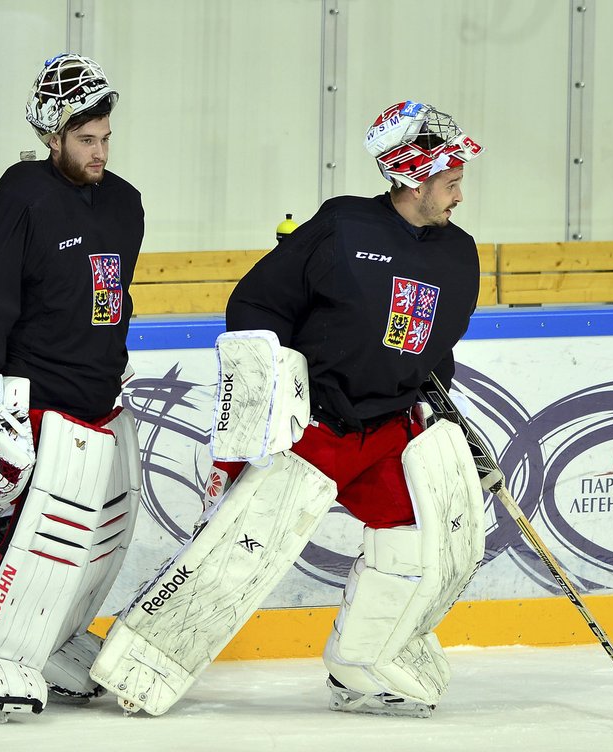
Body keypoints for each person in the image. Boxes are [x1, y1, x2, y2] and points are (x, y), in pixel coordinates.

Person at [90, 100, 486, 719]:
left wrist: (443, 416)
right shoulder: (343, 229)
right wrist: (256, 410)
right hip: (315, 428)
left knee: (415, 545)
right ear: (412, 173)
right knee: (239, 552)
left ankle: (360, 664)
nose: (460, 194)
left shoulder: (460, 256)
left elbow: (435, 349)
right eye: (452, 179)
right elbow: (255, 304)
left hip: (388, 431)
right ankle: (141, 661)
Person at [0, 53, 145, 720]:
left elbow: (106, 298)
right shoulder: (24, 192)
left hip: (99, 399)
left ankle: (53, 643)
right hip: (40, 400)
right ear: (53, 135)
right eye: (85, 141)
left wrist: (113, 363)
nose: (99, 152)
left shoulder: (124, 202)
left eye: (105, 138)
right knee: (30, 540)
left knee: (100, 541)